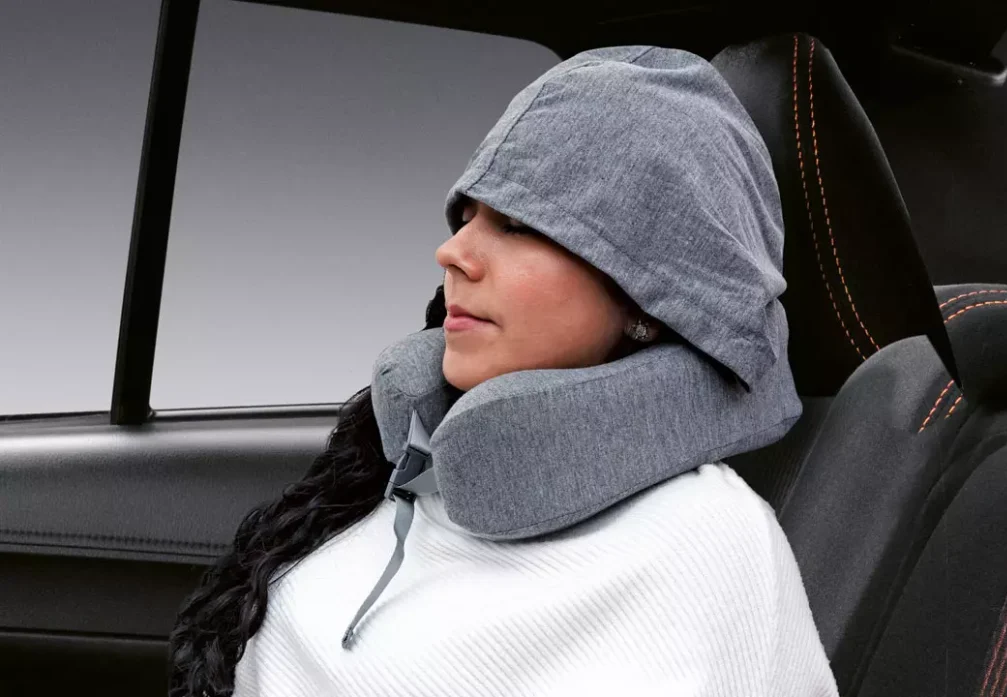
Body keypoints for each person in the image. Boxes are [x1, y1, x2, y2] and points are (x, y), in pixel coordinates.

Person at [168, 45, 839, 697]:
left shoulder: (710, 545)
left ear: (651, 298)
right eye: (468, 216)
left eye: (517, 224)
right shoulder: (410, 472)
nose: (452, 251)